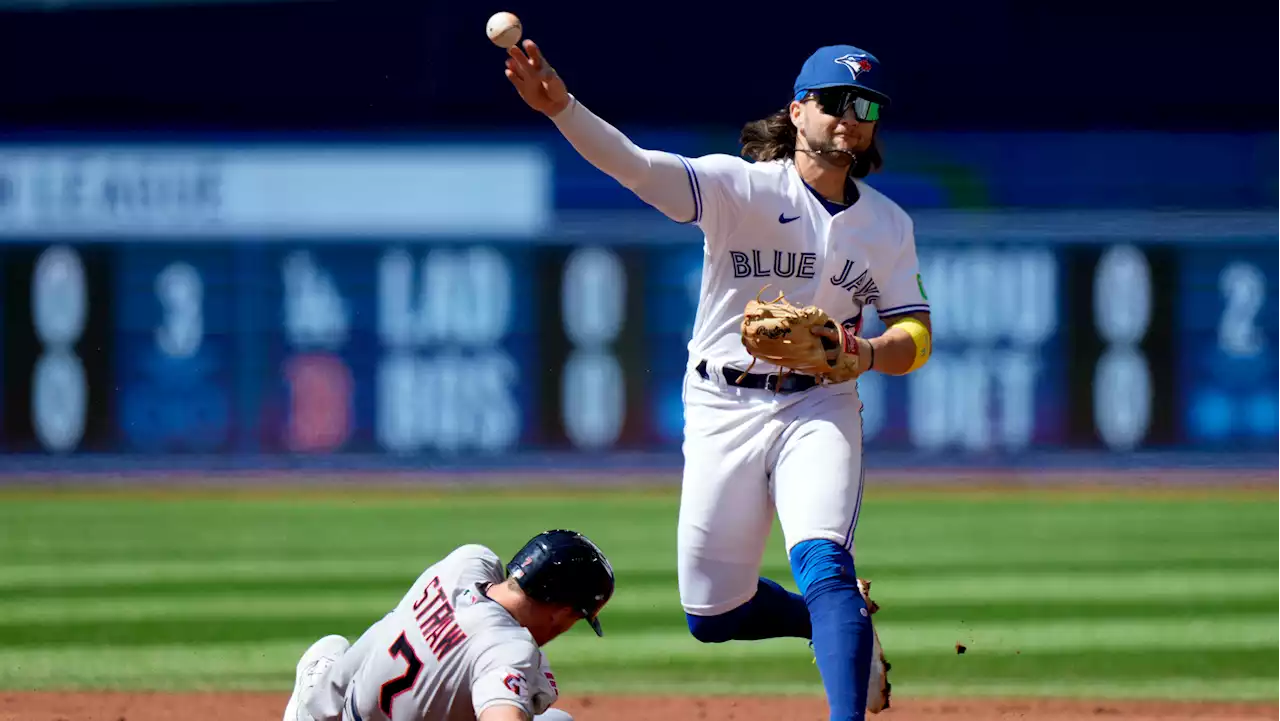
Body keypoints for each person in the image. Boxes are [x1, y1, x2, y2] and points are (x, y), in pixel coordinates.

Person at [503, 38, 933, 721]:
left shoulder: (886, 225)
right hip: (720, 404)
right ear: (797, 110)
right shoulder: (743, 188)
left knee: (824, 561)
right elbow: (638, 168)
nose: (850, 116)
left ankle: (842, 681)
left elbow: (915, 333)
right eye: (833, 101)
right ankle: (839, 625)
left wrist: (868, 353)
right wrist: (563, 110)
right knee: (711, 612)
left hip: (820, 404)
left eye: (867, 105)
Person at [283, 529, 614, 721]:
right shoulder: (509, 651)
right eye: (576, 617)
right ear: (562, 610)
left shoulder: (467, 562)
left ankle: (310, 712)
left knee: (331, 648)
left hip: (345, 709)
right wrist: (520, 694)